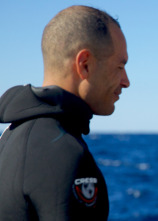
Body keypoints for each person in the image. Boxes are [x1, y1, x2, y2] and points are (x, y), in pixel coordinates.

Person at [0, 5, 129, 220]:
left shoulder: (11, 137)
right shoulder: (63, 153)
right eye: (119, 66)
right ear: (85, 65)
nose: (126, 81)